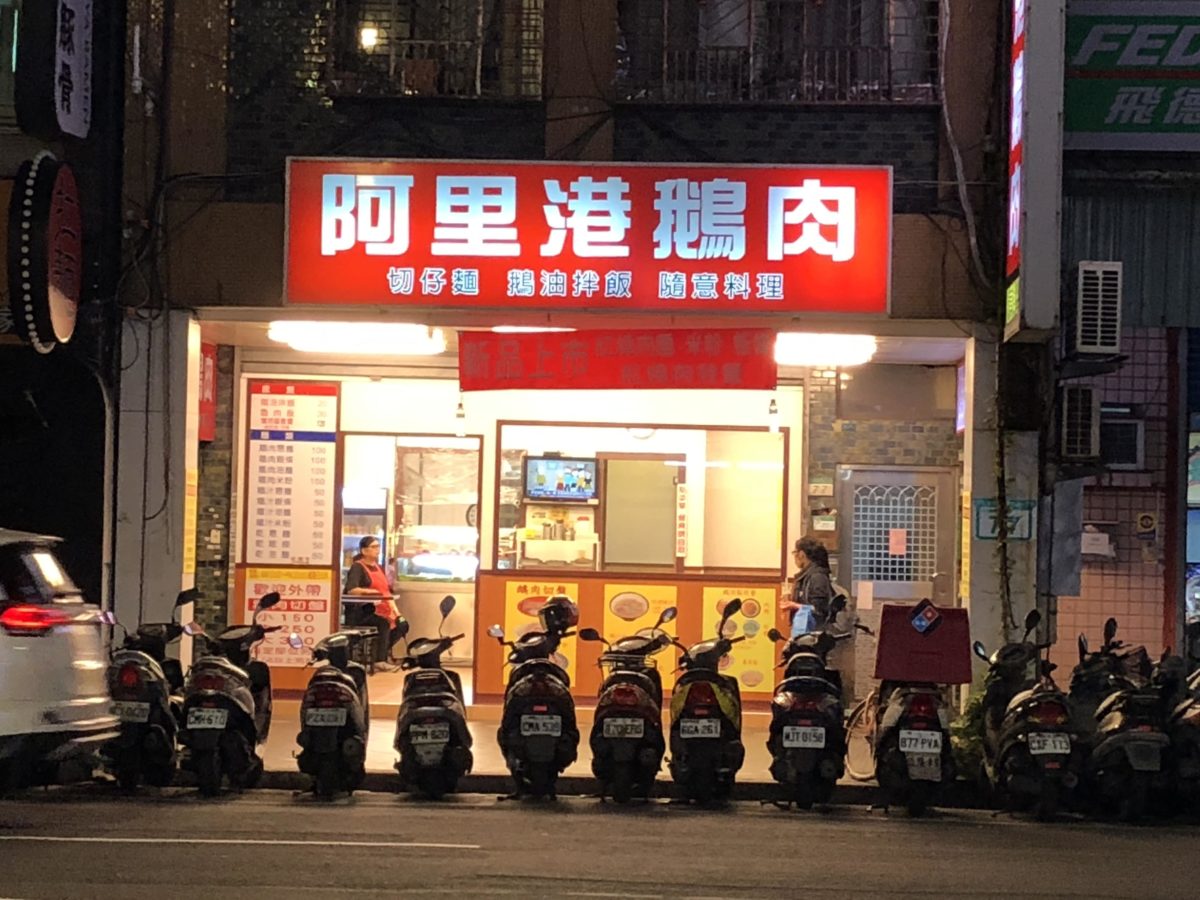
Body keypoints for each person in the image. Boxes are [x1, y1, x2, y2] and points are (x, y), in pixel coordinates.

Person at [343, 535, 404, 669]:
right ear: (364, 551)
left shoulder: (378, 567)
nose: (377, 549)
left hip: (383, 608)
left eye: (378, 546)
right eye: (374, 547)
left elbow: (386, 592)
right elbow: (352, 590)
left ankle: (380, 653)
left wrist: (396, 612)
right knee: (384, 623)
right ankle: (379, 660)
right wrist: (370, 592)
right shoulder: (357, 567)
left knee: (402, 624)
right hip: (362, 612)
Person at [781, 536, 835, 638]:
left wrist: (793, 605)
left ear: (802, 554)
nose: (794, 557)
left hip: (814, 637)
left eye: (795, 553)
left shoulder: (817, 577)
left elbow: (819, 610)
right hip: (807, 635)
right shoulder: (808, 576)